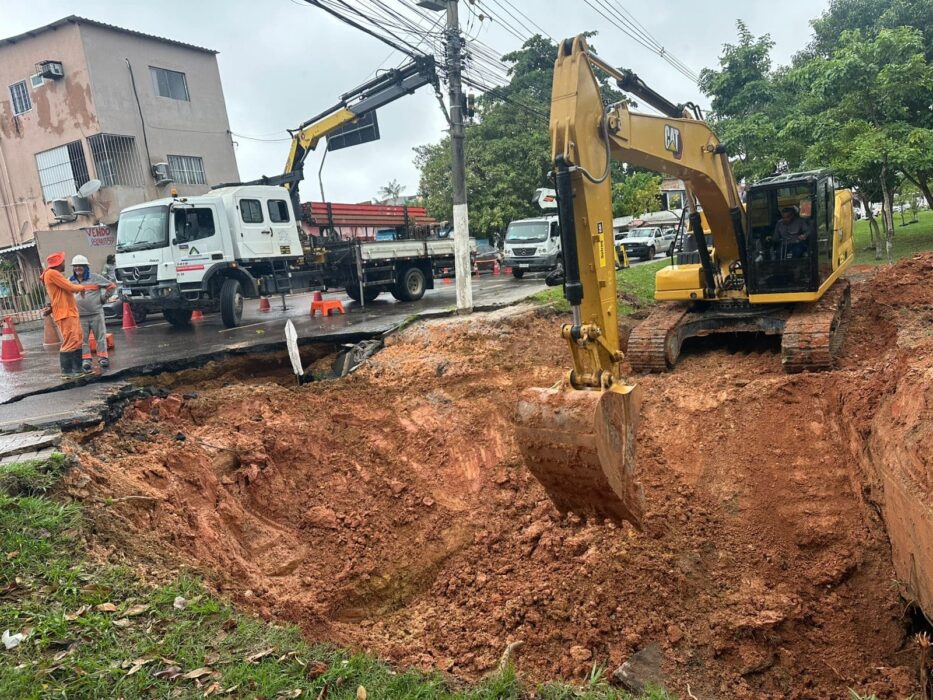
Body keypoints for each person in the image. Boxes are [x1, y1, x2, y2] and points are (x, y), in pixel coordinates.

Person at [40, 251, 87, 380]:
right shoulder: (52, 273)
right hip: (64, 312)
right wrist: (81, 287)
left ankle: (78, 368)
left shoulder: (55, 274)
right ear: (58, 263)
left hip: (69, 311)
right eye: (63, 261)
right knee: (70, 340)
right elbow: (70, 287)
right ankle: (67, 371)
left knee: (77, 339)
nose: (65, 263)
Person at [70, 254, 115, 372]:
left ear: (86, 267)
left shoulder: (95, 278)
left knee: (100, 337)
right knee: (82, 339)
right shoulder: (70, 280)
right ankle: (86, 360)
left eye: (80, 266)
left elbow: (111, 286)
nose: (78, 268)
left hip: (96, 313)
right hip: (80, 316)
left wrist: (104, 298)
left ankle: (103, 358)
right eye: (75, 266)